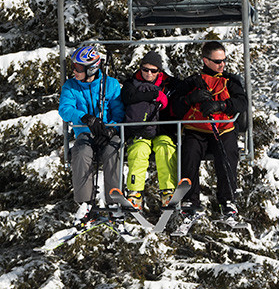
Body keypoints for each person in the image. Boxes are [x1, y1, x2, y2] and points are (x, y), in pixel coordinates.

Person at [175, 40, 247, 220]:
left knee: (228, 154)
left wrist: (222, 105)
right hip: (197, 129)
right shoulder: (193, 81)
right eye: (217, 61)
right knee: (189, 152)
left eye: (224, 60)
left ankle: (227, 200)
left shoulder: (230, 81)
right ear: (205, 61)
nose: (222, 65)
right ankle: (191, 200)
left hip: (222, 129)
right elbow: (175, 105)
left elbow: (242, 103)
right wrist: (190, 99)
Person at [58, 45, 124, 222]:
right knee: (81, 153)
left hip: (107, 133)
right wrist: (85, 118)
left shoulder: (110, 85)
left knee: (113, 151)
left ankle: (114, 202)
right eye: (74, 67)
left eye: (78, 68)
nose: (74, 71)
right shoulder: (71, 86)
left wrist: (111, 129)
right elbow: (65, 109)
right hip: (85, 133)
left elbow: (118, 111)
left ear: (91, 69)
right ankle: (85, 204)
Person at [120, 50, 178, 209]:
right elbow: (128, 97)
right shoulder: (131, 84)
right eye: (145, 69)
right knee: (138, 151)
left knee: (164, 148)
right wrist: (153, 95)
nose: (149, 73)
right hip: (140, 130)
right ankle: (134, 192)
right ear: (140, 68)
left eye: (153, 70)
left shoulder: (168, 84)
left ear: (159, 71)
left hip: (161, 130)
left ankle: (167, 190)